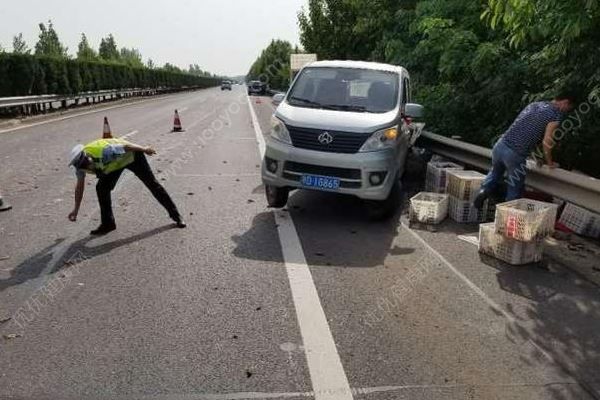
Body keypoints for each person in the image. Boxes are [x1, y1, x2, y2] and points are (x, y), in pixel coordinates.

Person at [474, 92, 577, 208]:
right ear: (565, 102)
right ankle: (508, 215)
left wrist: (538, 156)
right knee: (514, 188)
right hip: (515, 153)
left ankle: (483, 192)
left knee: (495, 173)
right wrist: (550, 163)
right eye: (568, 108)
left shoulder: (535, 105)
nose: (566, 111)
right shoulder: (555, 114)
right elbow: (547, 141)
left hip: (500, 145)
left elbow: (526, 129)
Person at [68, 138, 186, 235]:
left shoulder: (104, 151)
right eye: (82, 166)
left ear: (87, 155)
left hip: (132, 156)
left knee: (152, 184)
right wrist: (76, 209)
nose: (86, 167)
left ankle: (176, 216)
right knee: (101, 188)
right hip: (114, 166)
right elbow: (80, 187)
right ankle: (108, 224)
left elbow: (126, 147)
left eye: (86, 163)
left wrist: (145, 149)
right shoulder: (80, 167)